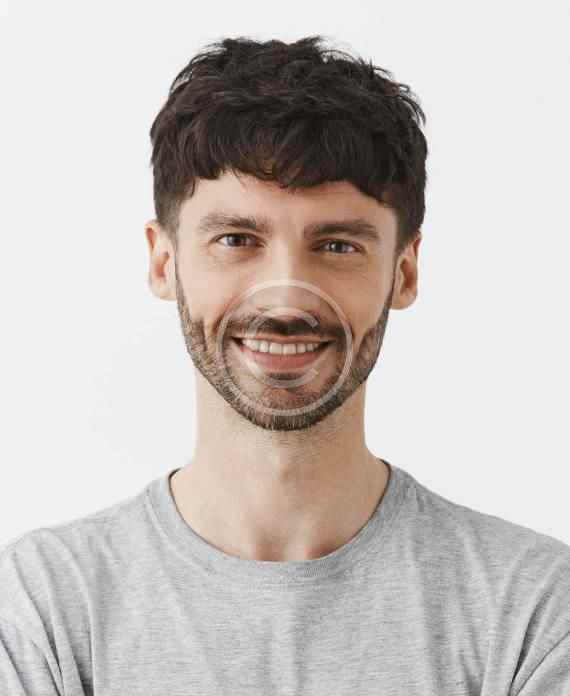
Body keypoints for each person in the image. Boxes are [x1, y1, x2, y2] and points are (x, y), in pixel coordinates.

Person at [1, 35, 568, 696]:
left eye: (337, 245)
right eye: (236, 240)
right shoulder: (45, 609)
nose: (287, 300)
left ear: (405, 271)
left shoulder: (530, 611)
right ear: (164, 261)